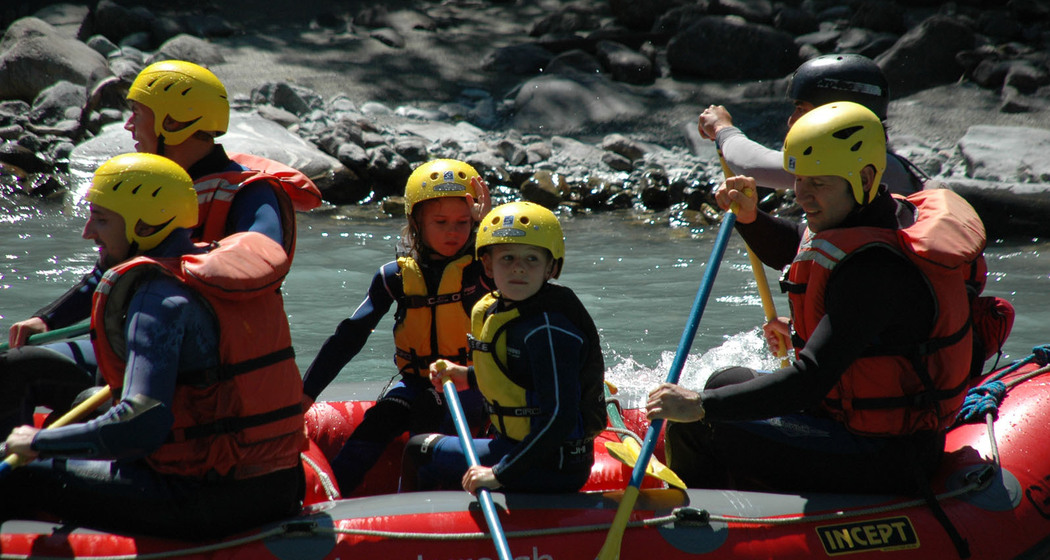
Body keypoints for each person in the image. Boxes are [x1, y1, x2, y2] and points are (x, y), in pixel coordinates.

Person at [647, 101, 986, 495]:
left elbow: (810, 379)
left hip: (886, 454)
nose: (803, 196)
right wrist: (751, 219)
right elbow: (801, 247)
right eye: (800, 180)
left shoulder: (877, 269)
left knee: (703, 422)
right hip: (842, 419)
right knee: (727, 380)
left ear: (864, 176)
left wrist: (700, 405)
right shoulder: (871, 213)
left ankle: (693, 528)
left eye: (818, 184)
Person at [1, 60, 320, 434]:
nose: (128, 124)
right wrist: (48, 318)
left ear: (175, 121)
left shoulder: (251, 192)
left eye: (137, 112)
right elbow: (112, 272)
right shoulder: (151, 184)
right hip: (137, 344)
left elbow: (263, 257)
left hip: (205, 359)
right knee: (13, 365)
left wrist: (176, 257)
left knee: (53, 388)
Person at [0, 153, 306, 539]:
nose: (88, 232)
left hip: (204, 500)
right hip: (282, 487)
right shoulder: (215, 270)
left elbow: (141, 426)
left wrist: (39, 441)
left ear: (145, 224)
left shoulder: (157, 298)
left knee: (17, 475)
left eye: (102, 219)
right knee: (87, 399)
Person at [302, 158, 492, 494]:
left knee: (433, 425)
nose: (453, 231)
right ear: (416, 222)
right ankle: (329, 501)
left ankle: (424, 504)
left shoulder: (485, 270)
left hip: (470, 389)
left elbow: (515, 257)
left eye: (464, 222)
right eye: (441, 221)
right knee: (376, 424)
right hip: (414, 385)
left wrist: (486, 223)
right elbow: (350, 336)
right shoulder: (395, 277)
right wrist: (304, 395)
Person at [400, 201, 607, 494]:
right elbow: (518, 378)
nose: (519, 268)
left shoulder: (549, 331)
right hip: (519, 448)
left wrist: (500, 473)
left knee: (418, 449)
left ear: (552, 267)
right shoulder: (501, 310)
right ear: (487, 264)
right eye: (507, 258)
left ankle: (417, 531)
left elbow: (560, 419)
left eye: (532, 259)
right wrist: (467, 375)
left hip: (551, 464)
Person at [698, 53, 924, 197]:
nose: (791, 120)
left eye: (802, 110)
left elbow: (751, 166)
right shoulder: (880, 161)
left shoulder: (866, 166)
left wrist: (722, 129)